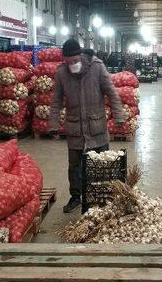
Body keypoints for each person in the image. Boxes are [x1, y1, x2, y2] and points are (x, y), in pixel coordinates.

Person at [49, 39, 126, 213]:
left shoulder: (97, 67)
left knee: (101, 166)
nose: (72, 64)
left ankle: (101, 198)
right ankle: (76, 197)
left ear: (81, 55)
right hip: (75, 128)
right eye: (68, 62)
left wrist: (119, 117)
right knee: (74, 166)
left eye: (75, 61)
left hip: (96, 127)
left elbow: (112, 93)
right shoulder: (61, 73)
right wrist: (53, 124)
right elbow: (56, 101)